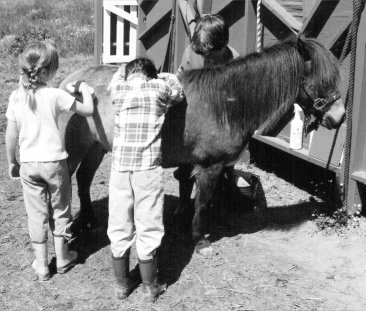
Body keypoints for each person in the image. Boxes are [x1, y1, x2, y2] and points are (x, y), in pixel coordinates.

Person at [5, 41, 94, 281]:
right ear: (46, 72)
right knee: (61, 210)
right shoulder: (56, 95)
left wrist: (12, 161)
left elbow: (11, 135)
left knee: (35, 214)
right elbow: (87, 109)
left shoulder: (15, 98)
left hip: (29, 165)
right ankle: (63, 258)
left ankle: (42, 265)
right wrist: (84, 87)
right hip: (55, 164)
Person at [107, 57, 184, 301]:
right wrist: (161, 76)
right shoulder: (160, 88)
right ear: (152, 76)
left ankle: (121, 285)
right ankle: (150, 286)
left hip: (120, 170)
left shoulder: (118, 89)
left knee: (119, 222)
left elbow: (117, 76)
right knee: (148, 224)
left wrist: (125, 71)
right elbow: (178, 89)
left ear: (128, 75)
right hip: (146, 170)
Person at [175, 14, 245, 210]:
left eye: (209, 54)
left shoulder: (234, 61)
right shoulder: (191, 52)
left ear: (222, 45)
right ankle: (182, 203)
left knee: (221, 167)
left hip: (219, 126)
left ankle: (220, 196)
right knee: (185, 163)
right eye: (202, 53)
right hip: (196, 122)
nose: (205, 58)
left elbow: (237, 100)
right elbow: (181, 81)